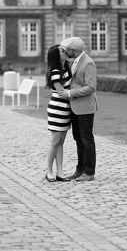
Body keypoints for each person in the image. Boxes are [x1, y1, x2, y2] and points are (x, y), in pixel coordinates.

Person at [59, 37, 98, 182]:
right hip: (75, 107)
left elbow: (91, 87)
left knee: (86, 139)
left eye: (67, 50)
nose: (65, 51)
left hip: (85, 107)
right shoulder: (73, 61)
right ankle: (79, 170)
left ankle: (89, 172)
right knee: (78, 139)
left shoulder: (88, 63)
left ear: (74, 51)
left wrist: (70, 94)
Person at [44, 45, 71, 182]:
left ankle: (60, 172)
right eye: (62, 51)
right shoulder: (55, 71)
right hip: (57, 108)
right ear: (56, 55)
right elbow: (61, 93)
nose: (65, 52)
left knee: (61, 142)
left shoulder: (66, 68)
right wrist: (76, 95)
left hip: (65, 109)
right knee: (55, 142)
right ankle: (49, 171)